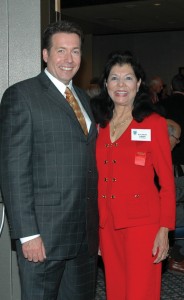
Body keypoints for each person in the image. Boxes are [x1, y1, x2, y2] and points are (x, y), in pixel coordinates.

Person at [0, 20, 98, 300]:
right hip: (44, 237)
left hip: (83, 237)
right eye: (61, 51)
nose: (69, 59)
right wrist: (27, 234)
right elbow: (13, 171)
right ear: (45, 54)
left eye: (76, 51)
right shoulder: (22, 96)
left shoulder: (83, 98)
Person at [91, 51, 176, 300]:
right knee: (115, 291)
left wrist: (164, 229)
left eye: (128, 78)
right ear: (105, 84)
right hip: (108, 224)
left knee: (140, 292)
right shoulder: (100, 124)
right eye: (114, 78)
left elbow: (167, 182)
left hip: (143, 225)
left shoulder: (153, 123)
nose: (121, 85)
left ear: (138, 83)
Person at [162, 74, 184, 274]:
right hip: (176, 167)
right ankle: (173, 254)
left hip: (170, 166)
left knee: (174, 207)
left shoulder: (163, 105)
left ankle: (173, 252)